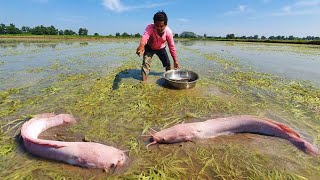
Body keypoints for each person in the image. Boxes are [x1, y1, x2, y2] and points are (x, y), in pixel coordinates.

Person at [136, 11, 179, 81]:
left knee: (167, 64)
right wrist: (141, 45)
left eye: (161, 26)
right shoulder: (150, 27)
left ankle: (169, 79)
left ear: (166, 25)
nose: (159, 28)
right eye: (157, 25)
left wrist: (175, 60)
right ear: (154, 24)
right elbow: (145, 36)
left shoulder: (168, 32)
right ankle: (144, 83)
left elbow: (172, 47)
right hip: (149, 47)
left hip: (161, 48)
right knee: (145, 65)